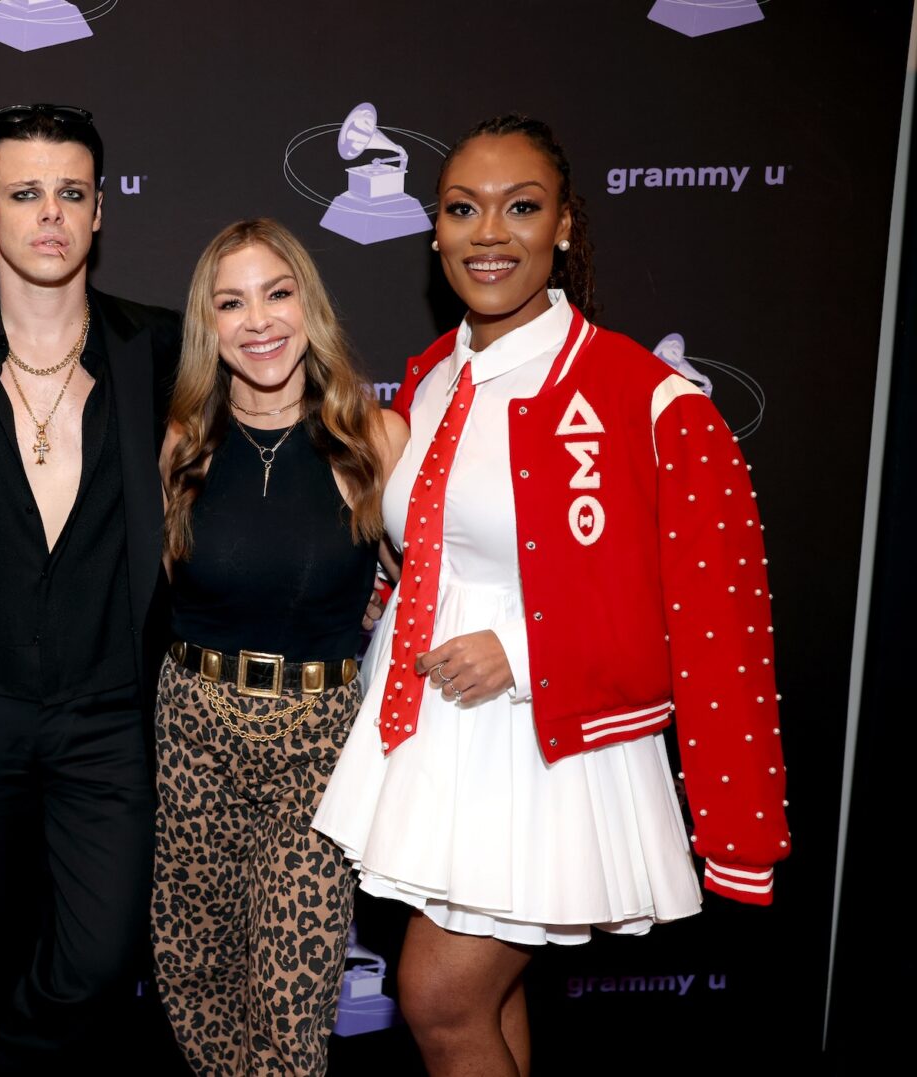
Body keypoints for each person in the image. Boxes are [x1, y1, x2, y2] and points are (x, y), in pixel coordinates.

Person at [312, 115, 790, 1077]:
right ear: (434, 231)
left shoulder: (646, 397)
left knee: (440, 1000)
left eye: (520, 207)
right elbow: (442, 547)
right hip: (441, 744)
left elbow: (711, 616)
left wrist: (526, 653)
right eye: (462, 209)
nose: (489, 232)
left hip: (545, 750)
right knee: (488, 1001)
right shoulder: (433, 374)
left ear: (565, 226)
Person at [0, 104, 181, 1073]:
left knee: (99, 962)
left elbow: (296, 444)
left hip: (115, 720)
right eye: (24, 194)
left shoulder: (170, 353)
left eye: (71, 193)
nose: (50, 215)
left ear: (101, 209)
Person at [152, 218, 408, 1075]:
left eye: (277, 292)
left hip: (317, 742)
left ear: (309, 303)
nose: (258, 320)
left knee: (291, 988)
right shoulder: (182, 443)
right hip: (194, 729)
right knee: (195, 971)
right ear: (209, 325)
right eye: (232, 302)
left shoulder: (374, 438)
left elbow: (437, 585)